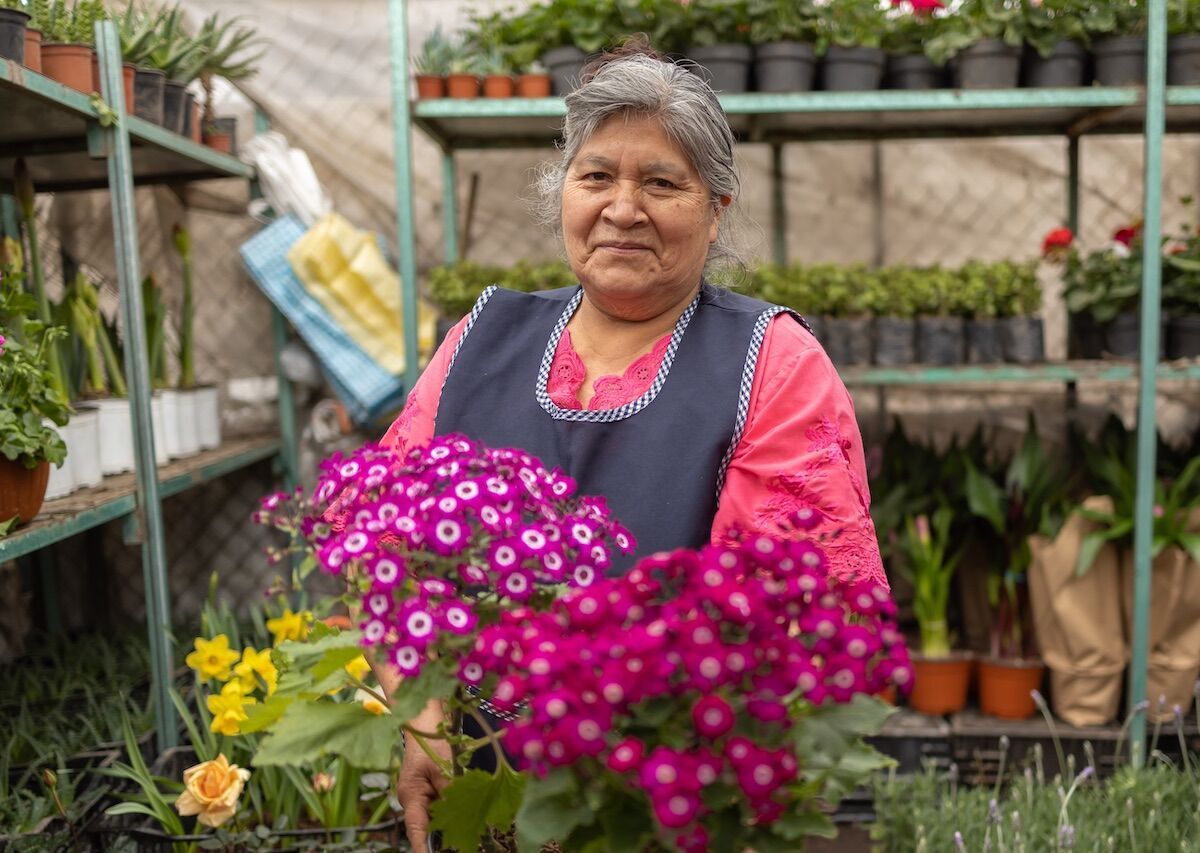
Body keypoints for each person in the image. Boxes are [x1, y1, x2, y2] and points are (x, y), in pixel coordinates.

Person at [380, 42, 885, 849]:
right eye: (596, 177)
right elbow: (390, 549)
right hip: (482, 791)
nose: (622, 207)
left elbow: (798, 620)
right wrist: (421, 717)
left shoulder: (772, 362)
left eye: (661, 182)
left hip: (665, 808)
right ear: (562, 192)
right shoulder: (481, 340)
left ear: (716, 207)